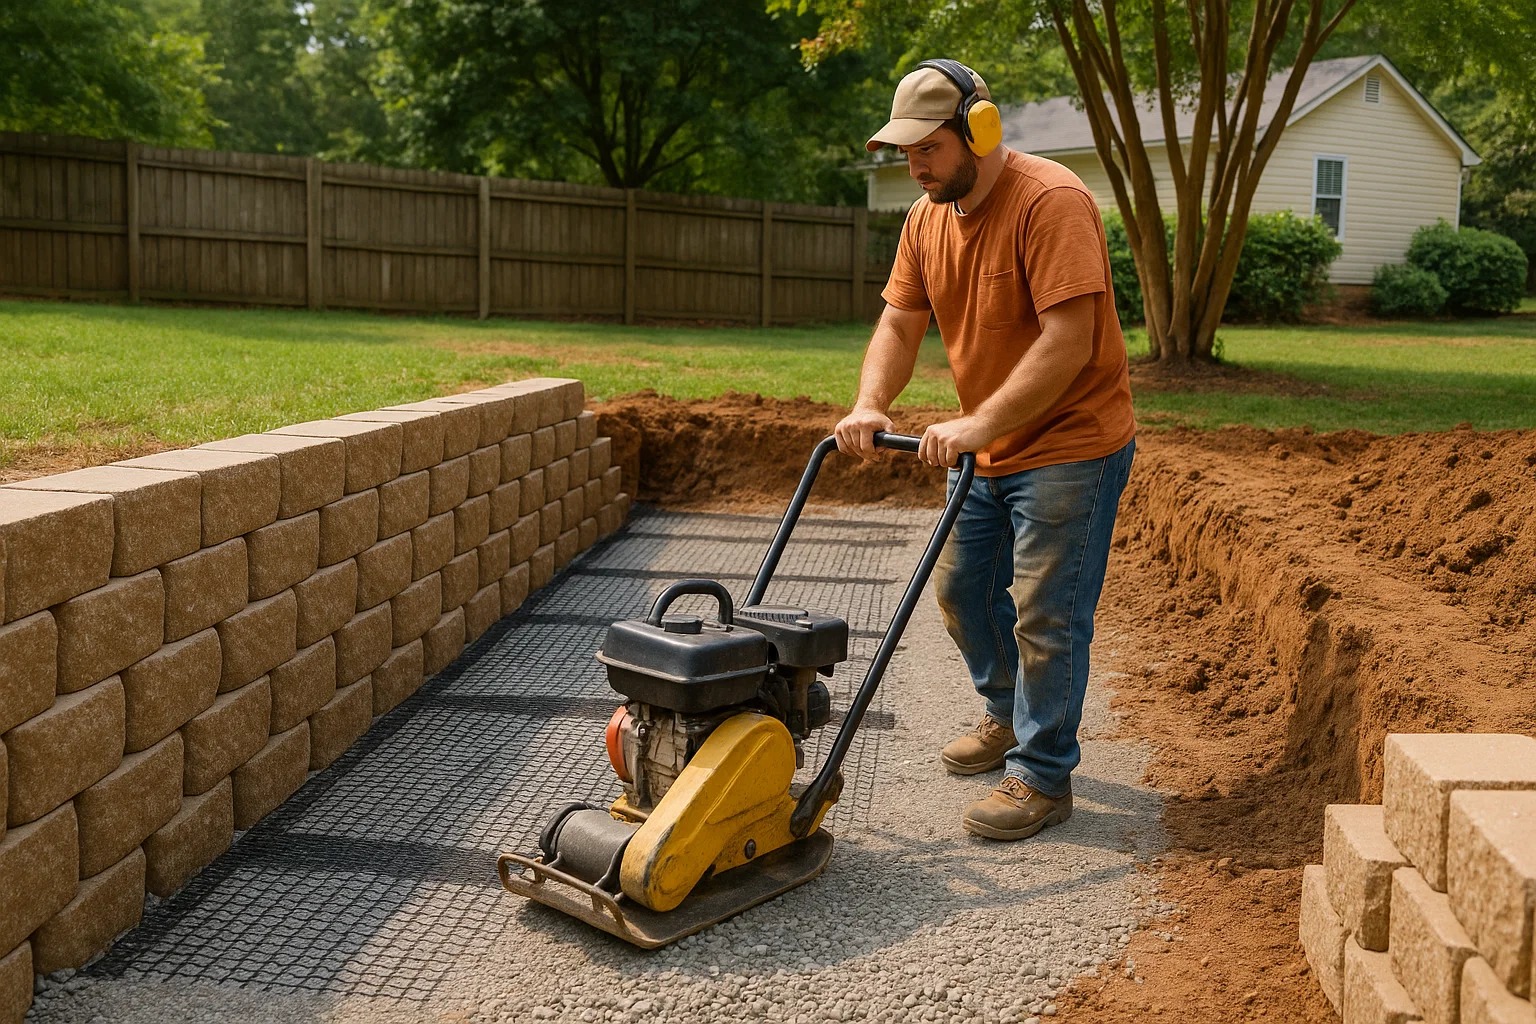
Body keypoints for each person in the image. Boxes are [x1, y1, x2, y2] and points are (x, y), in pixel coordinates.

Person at [834, 59, 1136, 841]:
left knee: (1046, 611)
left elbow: (1069, 342)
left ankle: (1042, 775)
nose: (914, 166)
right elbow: (901, 323)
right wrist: (872, 402)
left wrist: (980, 423)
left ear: (979, 130)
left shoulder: (1052, 203)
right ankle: (1006, 715)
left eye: (927, 149)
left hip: (1071, 444)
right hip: (989, 449)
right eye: (904, 153)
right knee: (962, 590)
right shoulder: (924, 219)